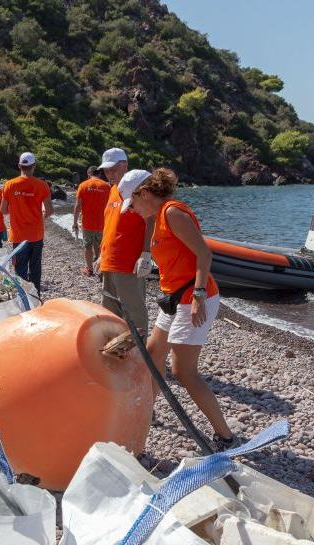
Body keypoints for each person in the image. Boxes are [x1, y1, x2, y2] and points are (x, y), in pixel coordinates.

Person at [125, 167, 236, 450]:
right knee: (153, 353)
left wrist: (198, 294)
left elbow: (204, 252)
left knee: (183, 371)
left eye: (132, 203)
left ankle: (225, 436)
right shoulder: (157, 216)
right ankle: (144, 414)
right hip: (175, 298)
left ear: (144, 193)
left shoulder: (173, 212)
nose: (131, 210)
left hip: (194, 298)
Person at [97, 147, 153, 335]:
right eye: (106, 170)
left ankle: (140, 357)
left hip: (129, 263)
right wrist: (101, 255)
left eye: (113, 169)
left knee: (134, 312)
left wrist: (146, 254)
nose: (109, 174)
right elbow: (110, 224)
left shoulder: (137, 191)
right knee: (109, 312)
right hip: (109, 261)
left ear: (125, 166)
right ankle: (116, 355)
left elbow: (151, 220)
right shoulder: (113, 190)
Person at [1, 152, 52, 292]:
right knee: (35, 266)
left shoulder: (9, 185)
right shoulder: (42, 185)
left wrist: (18, 210)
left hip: (18, 235)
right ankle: (36, 295)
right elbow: (49, 211)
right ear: (34, 166)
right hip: (36, 234)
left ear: (19, 166)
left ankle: (23, 297)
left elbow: (3, 210)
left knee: (20, 268)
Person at [73, 166, 110, 276]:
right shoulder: (106, 186)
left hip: (87, 223)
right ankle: (101, 268)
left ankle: (90, 269)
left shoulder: (83, 185)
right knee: (101, 245)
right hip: (103, 223)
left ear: (88, 174)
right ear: (99, 174)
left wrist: (75, 222)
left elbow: (78, 205)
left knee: (88, 246)